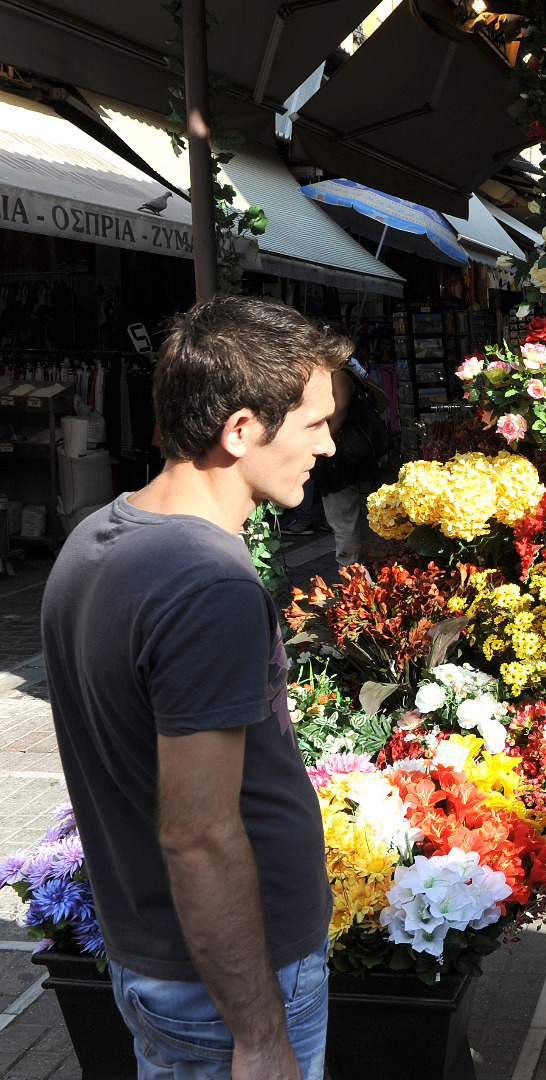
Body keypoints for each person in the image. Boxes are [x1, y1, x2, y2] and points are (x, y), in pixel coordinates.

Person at [40, 294, 348, 1079]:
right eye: (313, 423)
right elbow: (198, 834)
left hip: (163, 961)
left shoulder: (99, 536)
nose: (329, 446)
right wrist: (258, 1034)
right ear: (240, 430)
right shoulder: (206, 582)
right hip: (226, 989)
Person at [313, 357, 391, 567]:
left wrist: (325, 440)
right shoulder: (355, 372)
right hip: (362, 458)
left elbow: (341, 408)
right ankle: (373, 576)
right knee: (367, 520)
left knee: (344, 523)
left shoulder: (336, 374)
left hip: (341, 460)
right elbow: (383, 401)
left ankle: (351, 583)